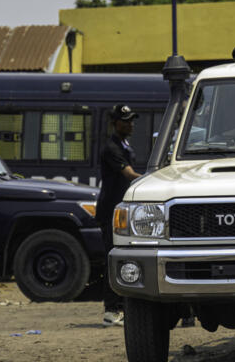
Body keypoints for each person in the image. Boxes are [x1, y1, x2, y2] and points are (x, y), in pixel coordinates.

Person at [95, 104, 143, 327]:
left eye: (132, 120)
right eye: (125, 120)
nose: (130, 124)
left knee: (124, 258)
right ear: (115, 123)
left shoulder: (124, 144)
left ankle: (121, 307)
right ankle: (111, 310)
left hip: (121, 211)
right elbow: (129, 174)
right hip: (110, 211)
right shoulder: (111, 148)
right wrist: (150, 180)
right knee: (112, 260)